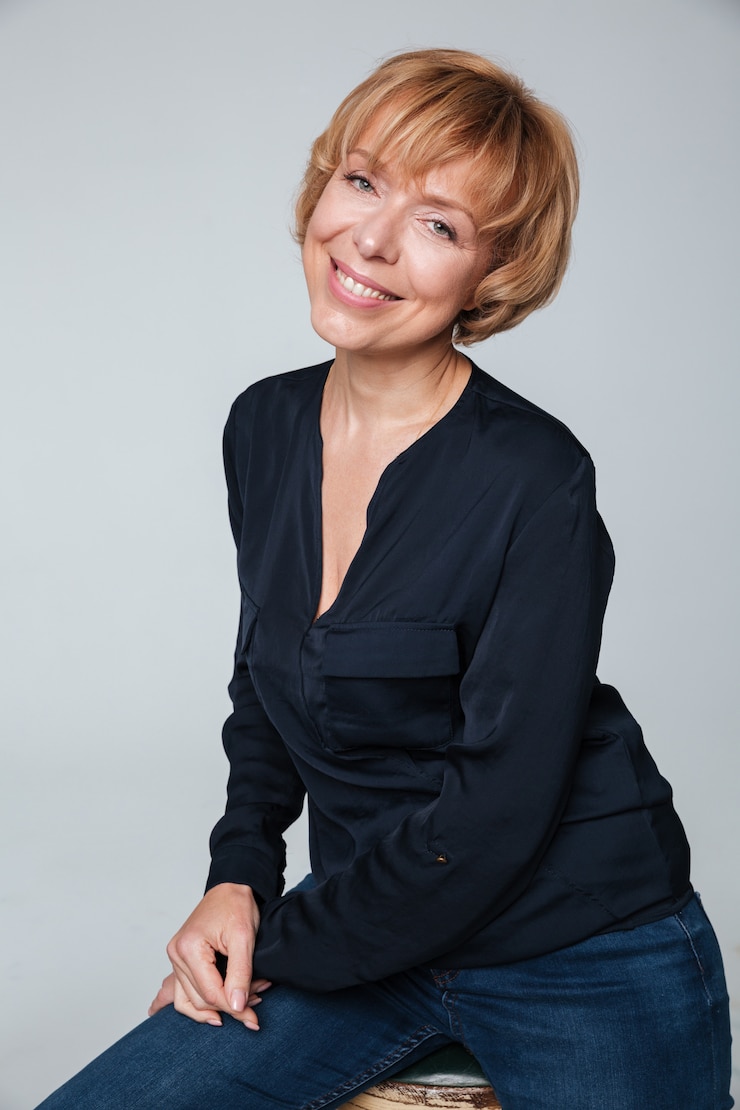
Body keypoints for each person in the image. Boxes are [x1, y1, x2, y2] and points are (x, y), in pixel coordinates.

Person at [37, 48, 733, 1110]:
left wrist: (273, 945)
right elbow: (265, 685)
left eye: (439, 224)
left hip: (579, 951)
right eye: (362, 180)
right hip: (363, 924)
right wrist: (238, 877)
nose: (370, 238)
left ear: (491, 273)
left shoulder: (534, 476)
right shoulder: (263, 425)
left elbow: (494, 816)